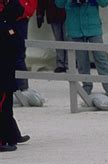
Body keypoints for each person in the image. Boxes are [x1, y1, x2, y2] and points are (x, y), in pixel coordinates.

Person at [55, 0, 108, 96]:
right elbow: (59, 4)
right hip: (75, 27)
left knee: (101, 57)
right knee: (81, 60)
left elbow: (104, 3)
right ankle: (86, 86)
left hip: (93, 26)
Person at [0, 0, 31, 152]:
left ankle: (11, 134)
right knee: (2, 100)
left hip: (7, 64)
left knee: (7, 100)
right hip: (4, 64)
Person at [36, 0, 68, 73]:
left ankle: (67, 63)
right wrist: (40, 14)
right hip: (53, 13)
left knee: (67, 39)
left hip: (67, 13)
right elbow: (41, 2)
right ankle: (61, 64)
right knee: (58, 40)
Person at [15, 0, 37, 91]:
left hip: (21, 19)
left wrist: (25, 11)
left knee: (19, 55)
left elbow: (31, 4)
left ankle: (22, 88)